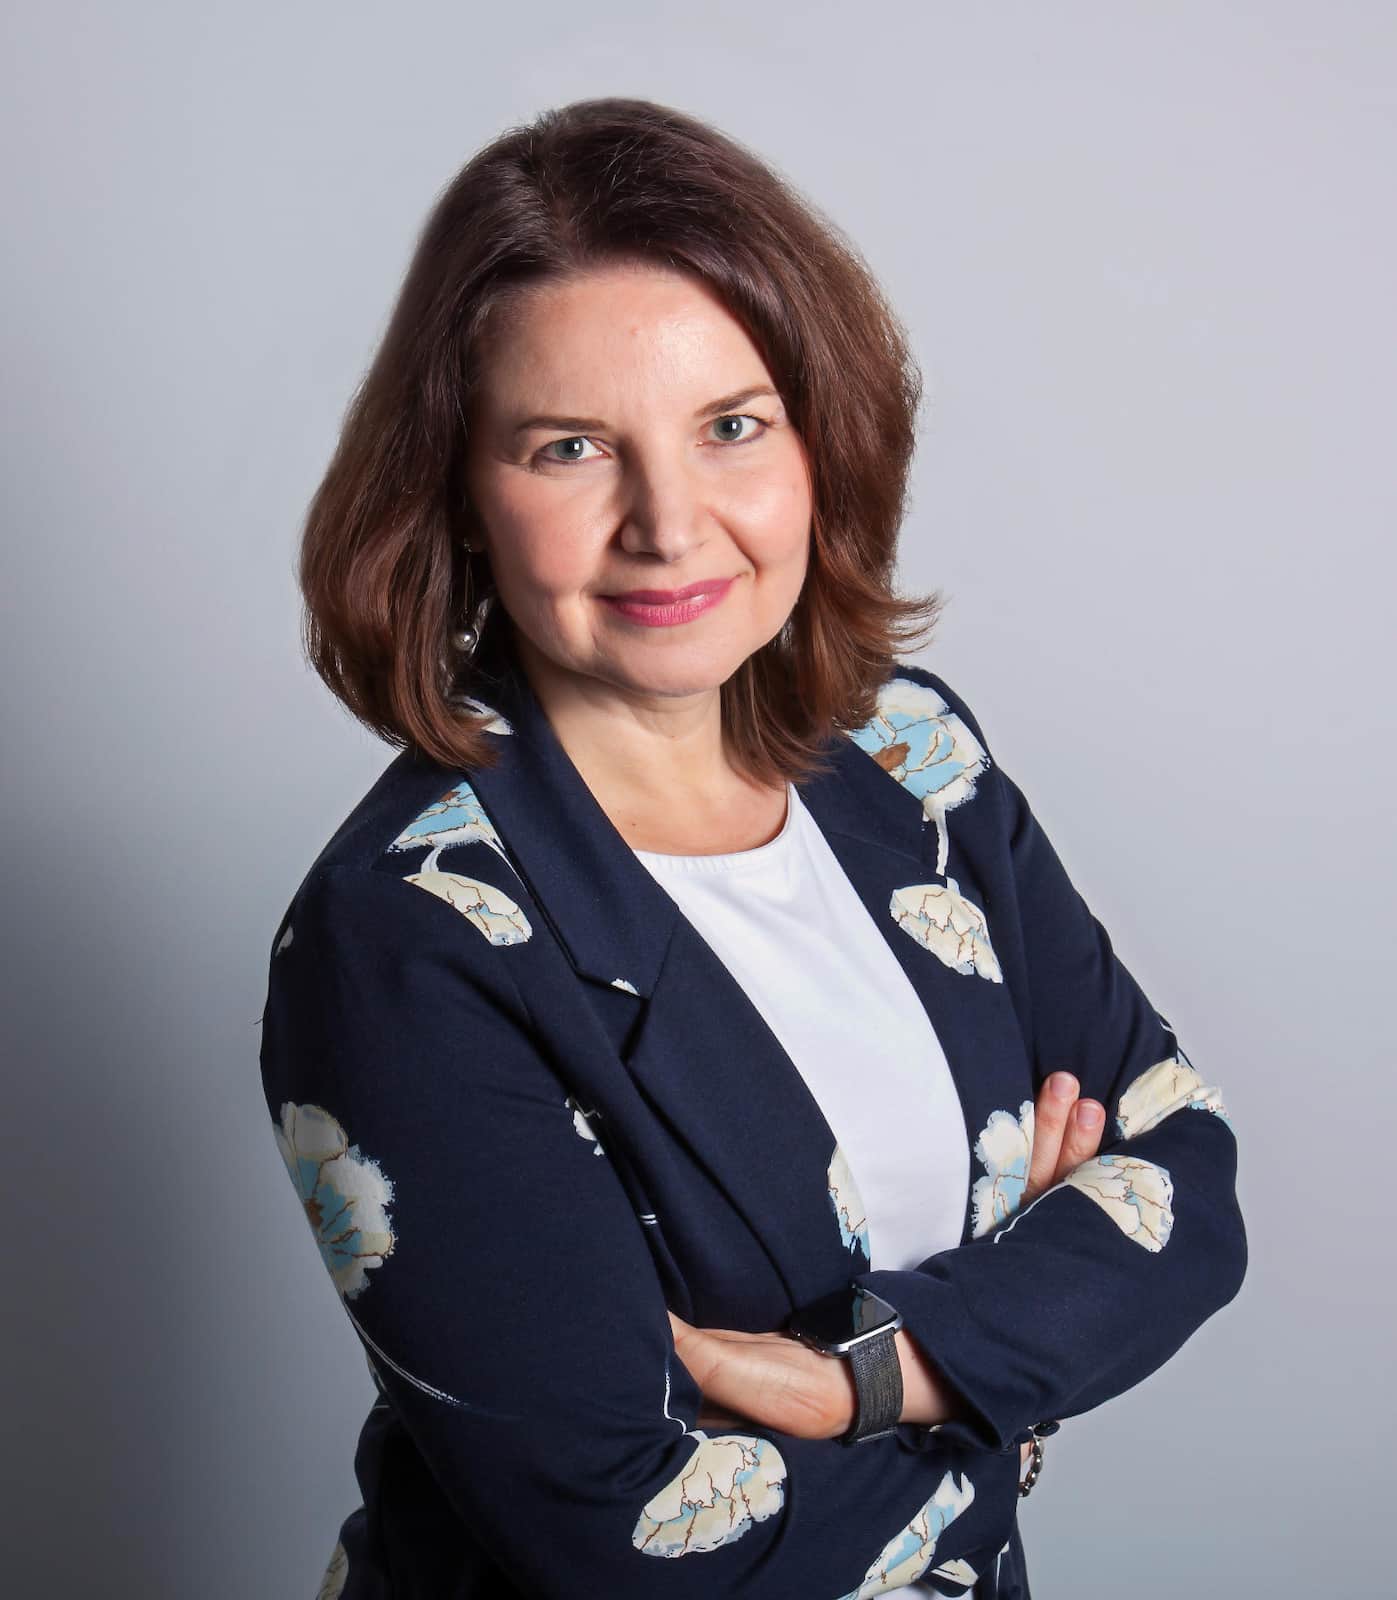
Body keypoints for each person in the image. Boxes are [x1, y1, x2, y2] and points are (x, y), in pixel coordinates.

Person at [260, 97, 1247, 1600]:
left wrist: (873, 1378)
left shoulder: (914, 758)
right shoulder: (407, 932)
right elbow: (628, 1542)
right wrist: (1014, 1355)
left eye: (731, 426)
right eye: (571, 447)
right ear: (460, 493)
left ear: (817, 440)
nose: (669, 524)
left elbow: (1185, 1181)